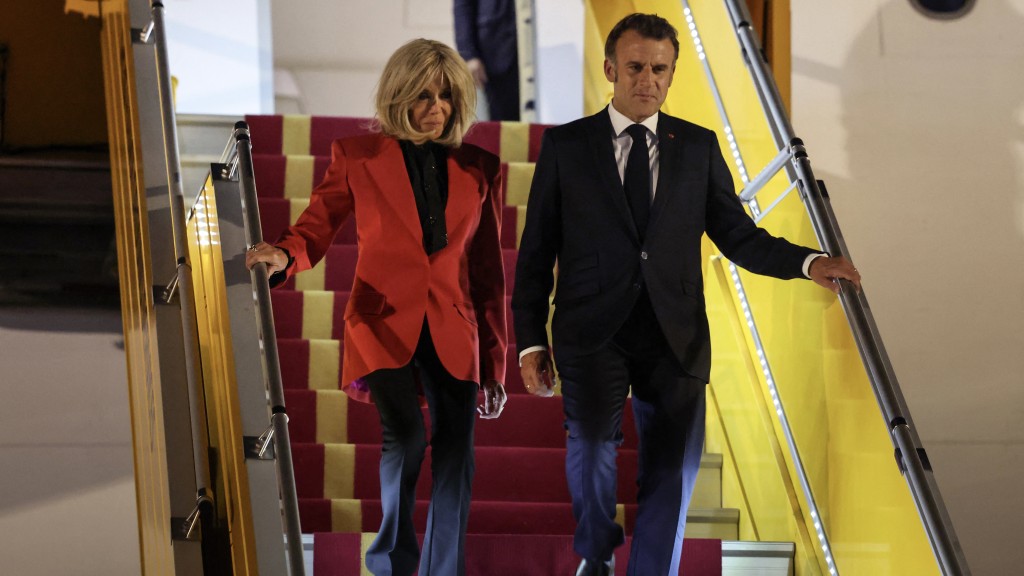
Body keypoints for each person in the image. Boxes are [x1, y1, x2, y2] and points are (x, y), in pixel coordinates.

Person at [511, 13, 861, 576]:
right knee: (592, 451)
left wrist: (807, 261)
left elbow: (738, 235)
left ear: (671, 73)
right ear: (610, 69)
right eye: (635, 67)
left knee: (674, 472)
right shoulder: (566, 146)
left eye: (660, 69)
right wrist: (531, 342)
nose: (647, 80)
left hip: (675, 334)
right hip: (591, 331)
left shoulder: (697, 147)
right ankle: (596, 554)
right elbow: (535, 255)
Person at [246, 39, 508, 576]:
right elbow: (316, 226)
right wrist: (285, 255)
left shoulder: (481, 167)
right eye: (423, 96)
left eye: (446, 96)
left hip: (454, 326)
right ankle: (391, 562)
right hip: (380, 321)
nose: (436, 108)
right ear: (398, 96)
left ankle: (443, 569)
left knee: (457, 453)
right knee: (406, 437)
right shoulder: (357, 156)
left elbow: (487, 272)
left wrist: (495, 362)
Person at [453, 0, 520, 121]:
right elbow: (463, 6)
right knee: (503, 124)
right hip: (496, 54)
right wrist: (469, 54)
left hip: (544, 51)